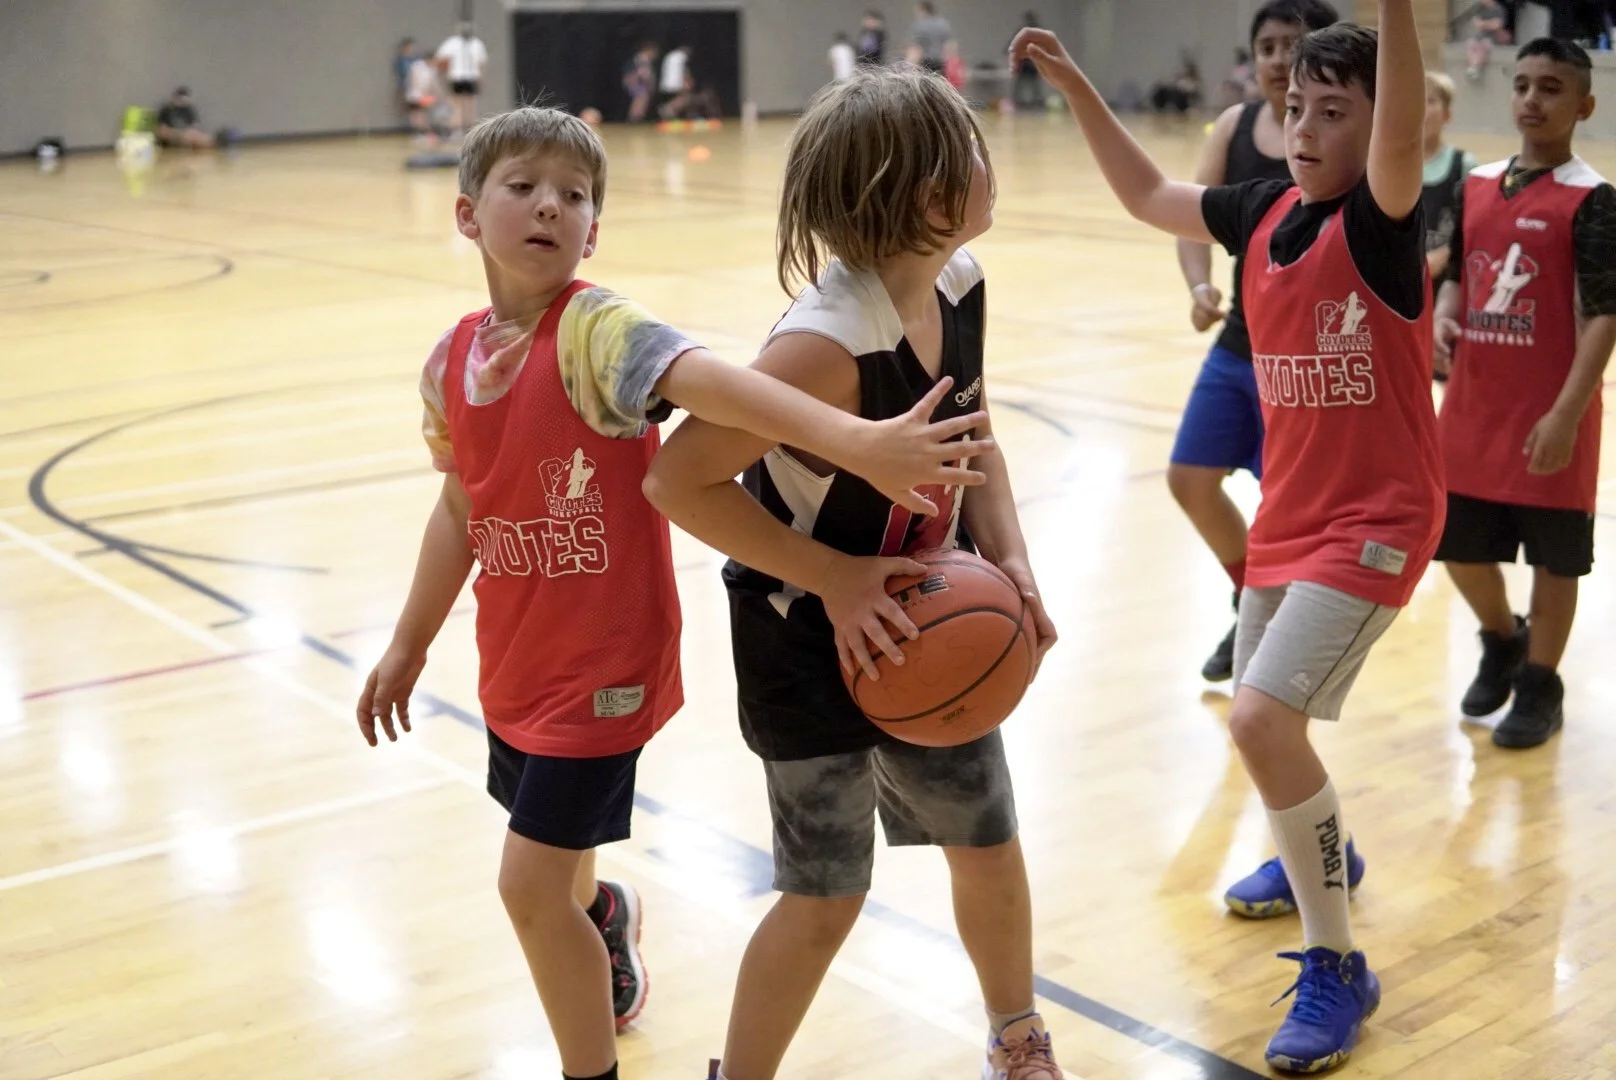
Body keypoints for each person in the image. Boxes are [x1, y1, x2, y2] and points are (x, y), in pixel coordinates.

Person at [355, 106, 994, 1080]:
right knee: (560, 879)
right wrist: (409, 642)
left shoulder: (597, 331)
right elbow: (458, 509)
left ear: (594, 231)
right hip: (515, 659)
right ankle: (603, 920)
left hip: (602, 669)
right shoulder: (450, 364)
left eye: (573, 195)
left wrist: (852, 439)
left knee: (526, 889)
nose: (548, 207)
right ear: (464, 213)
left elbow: (710, 382)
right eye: (521, 185)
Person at [1014, 2, 1440, 1070]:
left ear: (1371, 124)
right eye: (1294, 106)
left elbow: (1391, 139)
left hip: (1376, 523)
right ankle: (1316, 861)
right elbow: (1152, 197)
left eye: (1331, 112)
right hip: (1292, 516)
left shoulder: (1381, 221)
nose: (1303, 127)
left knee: (1256, 717)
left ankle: (1337, 962)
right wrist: (1078, 94)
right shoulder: (1258, 211)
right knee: (1264, 724)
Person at [643, 67, 1062, 1080]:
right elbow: (677, 479)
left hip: (925, 607)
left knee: (987, 842)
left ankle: (1017, 1041)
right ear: (925, 197)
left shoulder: (957, 282)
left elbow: (977, 434)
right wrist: (832, 578)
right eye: (968, 144)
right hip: (802, 629)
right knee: (825, 892)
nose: (985, 157)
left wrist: (1008, 559)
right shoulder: (821, 349)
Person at [1433, 38, 1616, 749]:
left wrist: (1568, 412)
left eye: (1551, 88)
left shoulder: (1593, 200)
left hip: (1551, 411)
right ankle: (1502, 637)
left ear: (1583, 105)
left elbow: (1605, 313)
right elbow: (1457, 272)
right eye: (1522, 85)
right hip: (1474, 407)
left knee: (1555, 559)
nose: (1533, 100)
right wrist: (1446, 314)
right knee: (1455, 545)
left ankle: (1541, 684)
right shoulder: (1474, 182)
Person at [1167, 0, 1339, 684]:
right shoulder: (1236, 125)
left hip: (1306, 362)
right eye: (1266, 45)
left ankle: (1275, 630)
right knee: (1190, 479)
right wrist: (1199, 286)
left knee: (1285, 509)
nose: (1275, 58)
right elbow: (1188, 213)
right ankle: (1249, 598)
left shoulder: (1346, 140)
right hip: (1241, 341)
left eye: (1291, 45)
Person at [1420, 72, 1478, 287]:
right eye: (1415, 100)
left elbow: (1474, 228)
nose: (1421, 109)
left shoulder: (1464, 164)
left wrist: (1443, 256)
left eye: (1430, 101)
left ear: (1447, 115)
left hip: (1446, 283)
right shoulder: (1388, 166)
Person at [436, 21, 488, 135]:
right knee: (461, 103)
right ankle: (459, 129)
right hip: (460, 77)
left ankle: (466, 129)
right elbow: (441, 61)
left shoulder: (475, 43)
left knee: (467, 104)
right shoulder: (473, 43)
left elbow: (481, 64)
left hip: (465, 77)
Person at [1467, 0, 1511, 79]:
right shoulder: (1480, 8)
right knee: (1471, 44)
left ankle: (1476, 68)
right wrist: (1489, 23)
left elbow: (1497, 25)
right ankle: (1473, 67)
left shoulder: (1498, 9)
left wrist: (1483, 24)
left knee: (1483, 45)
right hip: (1481, 36)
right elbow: (1476, 23)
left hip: (1494, 37)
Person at [909, 0, 952, 73]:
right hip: (939, 62)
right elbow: (948, 46)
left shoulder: (919, 25)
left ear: (923, 10)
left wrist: (911, 65)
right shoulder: (943, 24)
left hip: (925, 62)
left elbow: (916, 48)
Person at [622, 42, 658, 123]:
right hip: (637, 83)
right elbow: (643, 73)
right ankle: (633, 119)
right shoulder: (641, 59)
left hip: (640, 83)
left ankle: (637, 118)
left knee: (641, 100)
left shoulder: (643, 59)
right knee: (639, 100)